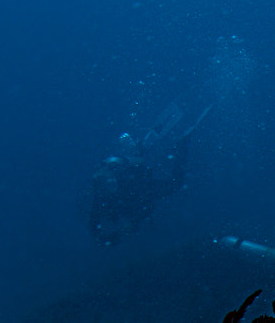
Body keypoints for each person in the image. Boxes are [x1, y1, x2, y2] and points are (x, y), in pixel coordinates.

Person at [88, 103, 207, 247]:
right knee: (176, 183)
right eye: (106, 186)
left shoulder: (115, 167)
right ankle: (182, 142)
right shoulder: (101, 201)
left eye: (110, 182)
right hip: (142, 191)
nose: (110, 185)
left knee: (142, 151)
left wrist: (136, 159)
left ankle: (160, 143)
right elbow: (95, 225)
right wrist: (111, 236)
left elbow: (126, 162)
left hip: (139, 181)